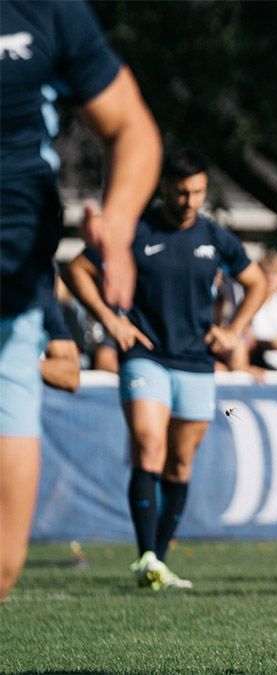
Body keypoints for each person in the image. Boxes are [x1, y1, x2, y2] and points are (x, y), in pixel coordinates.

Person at [0, 0, 161, 602]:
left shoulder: (45, 11)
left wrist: (117, 226)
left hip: (12, 308)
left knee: (3, 566)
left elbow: (131, 127)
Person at [66, 150, 268, 590]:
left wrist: (233, 331)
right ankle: (145, 555)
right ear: (164, 188)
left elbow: (258, 283)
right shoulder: (135, 230)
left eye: (198, 191)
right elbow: (77, 270)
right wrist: (110, 318)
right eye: (182, 190)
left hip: (196, 361)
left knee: (179, 465)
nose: (190, 199)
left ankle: (159, 559)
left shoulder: (216, 236)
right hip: (145, 355)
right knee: (149, 444)